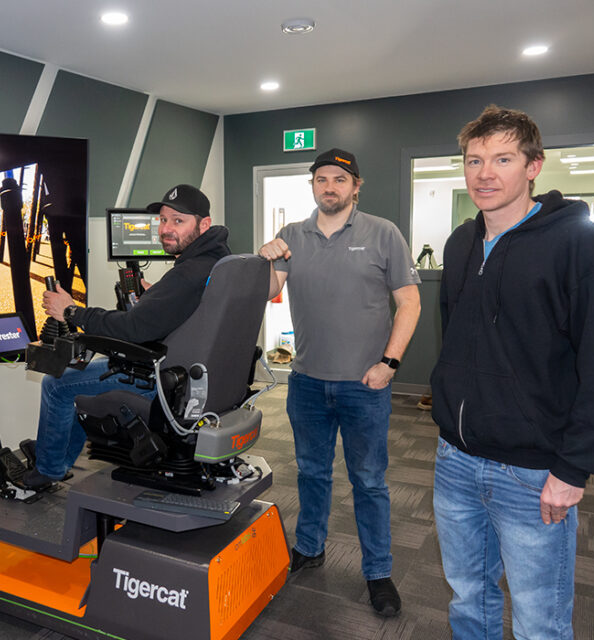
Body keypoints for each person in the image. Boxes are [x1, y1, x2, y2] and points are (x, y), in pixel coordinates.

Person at [430, 106, 594, 639]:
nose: (484, 174)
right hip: (456, 459)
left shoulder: (577, 243)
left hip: (535, 472)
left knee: (540, 620)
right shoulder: (460, 243)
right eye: (474, 161)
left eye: (502, 158)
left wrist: (573, 469)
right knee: (468, 600)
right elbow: (454, 338)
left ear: (533, 166)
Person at [259, 148, 421, 617]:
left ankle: (378, 571)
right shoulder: (292, 234)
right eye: (321, 179)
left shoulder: (382, 233)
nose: (329, 186)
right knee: (311, 473)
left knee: (368, 481)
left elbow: (408, 303)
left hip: (364, 385)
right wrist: (266, 257)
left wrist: (389, 363)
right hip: (307, 381)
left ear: (355, 186)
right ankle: (309, 547)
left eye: (339, 179)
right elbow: (270, 290)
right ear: (312, 185)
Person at [25, 184, 230, 488]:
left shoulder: (188, 273)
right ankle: (55, 459)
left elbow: (133, 330)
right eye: (162, 220)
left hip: (163, 379)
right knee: (77, 382)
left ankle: (49, 469)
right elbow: (183, 311)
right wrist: (157, 298)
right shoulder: (216, 260)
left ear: (204, 224)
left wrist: (71, 312)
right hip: (189, 373)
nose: (166, 229)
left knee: (56, 384)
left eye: (178, 221)